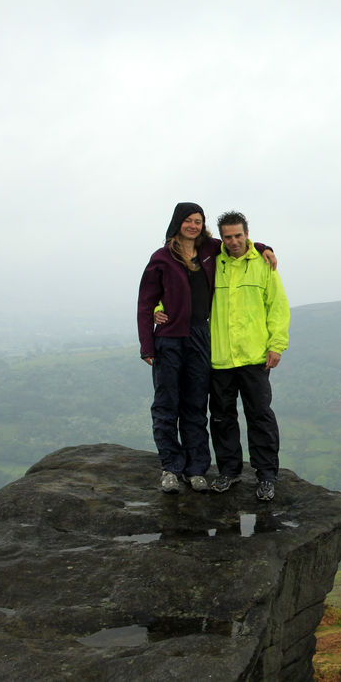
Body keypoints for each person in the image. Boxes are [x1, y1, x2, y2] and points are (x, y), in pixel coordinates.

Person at [137, 202, 275, 494]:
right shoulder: (161, 258)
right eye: (188, 220)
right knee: (166, 405)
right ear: (177, 223)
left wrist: (265, 246)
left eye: (198, 221)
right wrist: (147, 344)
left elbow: (238, 242)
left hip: (200, 337)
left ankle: (196, 468)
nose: (193, 226)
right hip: (170, 338)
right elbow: (146, 303)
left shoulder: (210, 250)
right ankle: (171, 467)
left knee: (196, 405)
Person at [206, 211, 290, 502]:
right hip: (220, 358)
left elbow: (277, 306)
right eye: (227, 237)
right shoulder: (211, 262)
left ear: (247, 234)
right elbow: (183, 289)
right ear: (221, 237)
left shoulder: (263, 263)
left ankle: (266, 476)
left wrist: (277, 344)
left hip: (255, 357)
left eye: (238, 236)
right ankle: (229, 471)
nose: (233, 242)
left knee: (260, 416)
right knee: (221, 418)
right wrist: (159, 308)